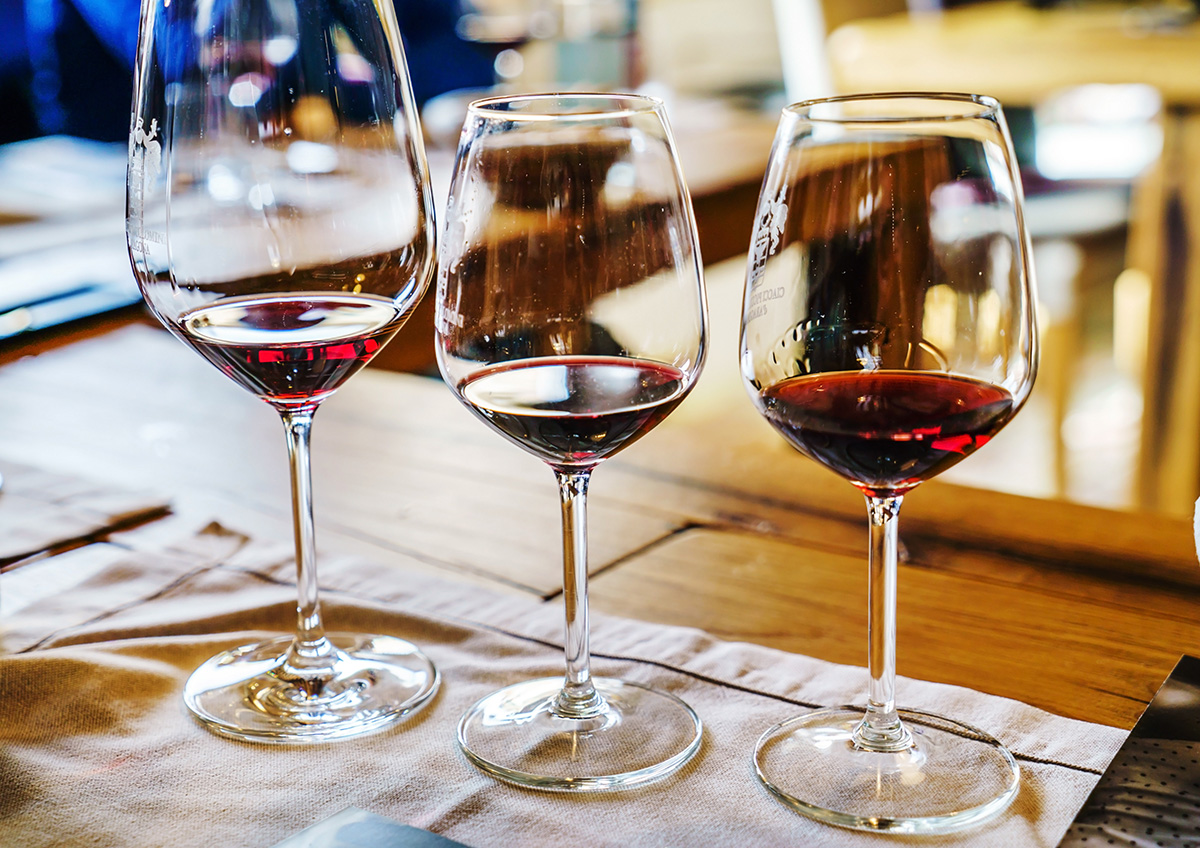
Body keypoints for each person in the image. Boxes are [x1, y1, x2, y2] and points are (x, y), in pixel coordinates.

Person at [1, 0, 494, 143]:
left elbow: (429, 40)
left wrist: (447, 100)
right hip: (117, 172)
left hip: (280, 167)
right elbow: (181, 50)